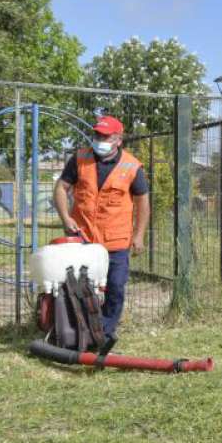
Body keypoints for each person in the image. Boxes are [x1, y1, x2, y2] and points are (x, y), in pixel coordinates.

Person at [52, 115, 151, 339]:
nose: (99, 139)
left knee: (115, 288)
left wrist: (139, 235)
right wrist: (66, 218)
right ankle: (77, 331)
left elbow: (142, 201)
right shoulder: (79, 159)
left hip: (116, 241)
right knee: (77, 288)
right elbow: (61, 188)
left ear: (118, 139)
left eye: (105, 136)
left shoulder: (132, 166)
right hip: (82, 238)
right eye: (97, 134)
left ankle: (103, 333)